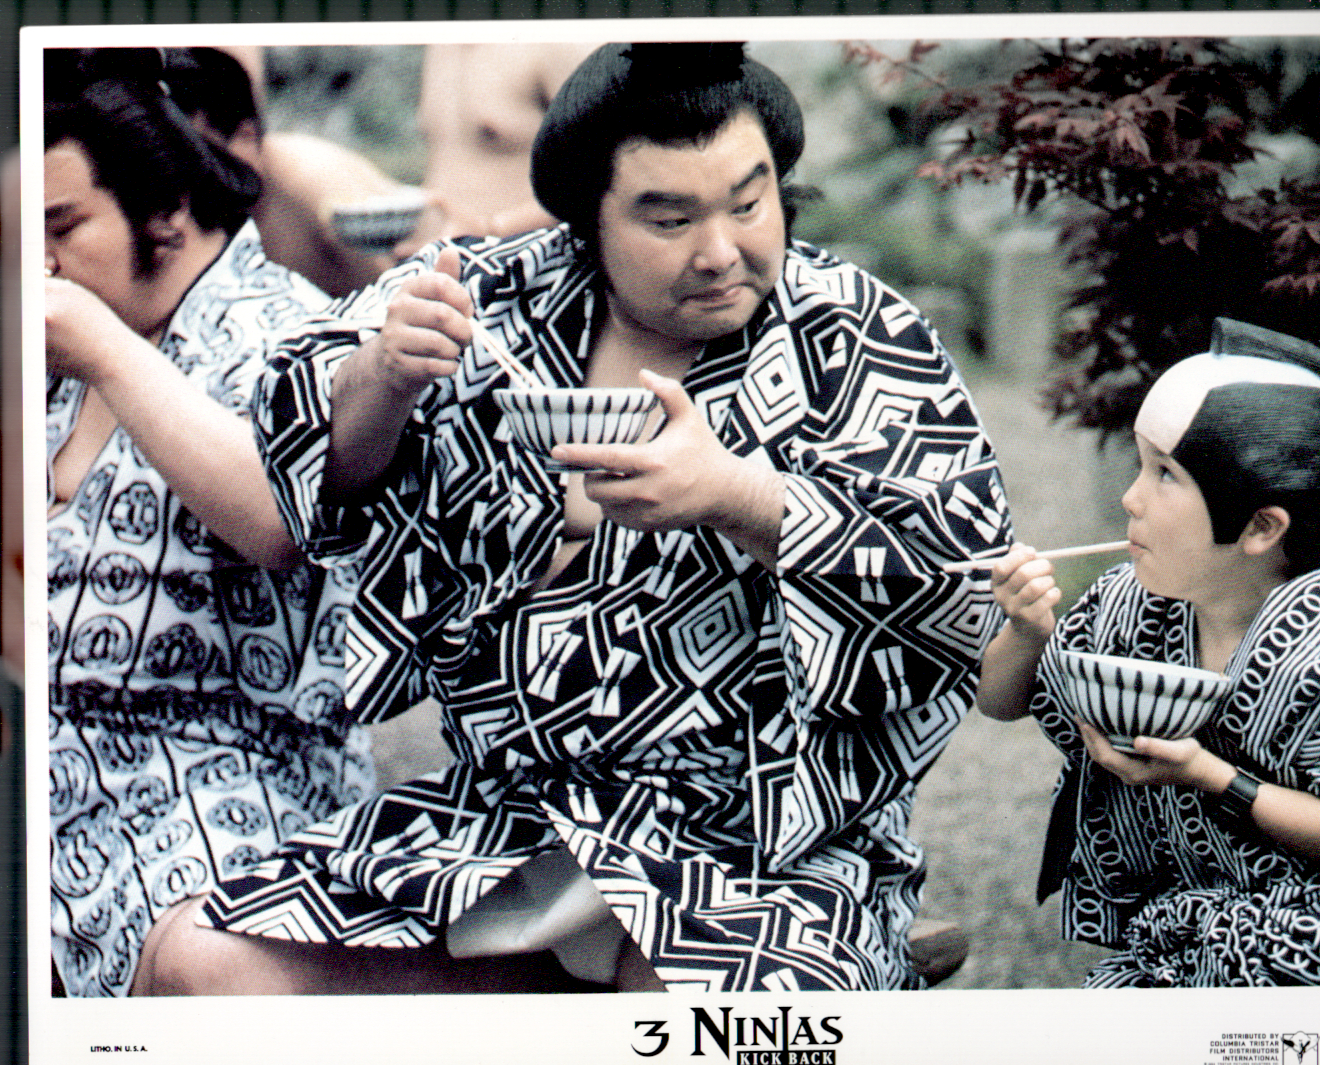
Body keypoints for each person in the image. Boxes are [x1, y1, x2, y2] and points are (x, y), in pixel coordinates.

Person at [148, 41, 1013, 994]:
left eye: (748, 202)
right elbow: (310, 469)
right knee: (201, 965)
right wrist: (382, 379)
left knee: (685, 1023)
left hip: (760, 842)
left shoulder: (858, 333)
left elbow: (964, 591)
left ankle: (861, 951)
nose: (719, 251)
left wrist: (739, 497)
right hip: (509, 820)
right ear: (583, 220)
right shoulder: (492, 295)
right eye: (669, 218)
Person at [44, 48, 374, 997]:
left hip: (222, 773)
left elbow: (279, 519)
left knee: (203, 957)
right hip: (58, 774)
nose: (41, 263)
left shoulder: (283, 329)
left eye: (63, 228)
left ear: (167, 208)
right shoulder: (47, 350)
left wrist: (106, 351)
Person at [976, 317, 1320, 987]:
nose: (1131, 497)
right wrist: (1028, 631)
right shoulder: (1134, 602)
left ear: (1261, 526)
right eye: (1142, 465)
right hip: (1188, 923)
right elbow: (1001, 701)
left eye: (1165, 474)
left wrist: (1208, 775)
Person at [162, 46, 407, 298]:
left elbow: (398, 292)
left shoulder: (315, 183)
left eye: (199, 155)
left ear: (246, 137)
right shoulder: (193, 210)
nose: (189, 174)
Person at [391, 42, 598, 258]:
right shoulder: (441, 46)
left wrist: (491, 230)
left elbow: (605, 174)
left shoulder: (558, 42)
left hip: (526, 263)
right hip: (437, 258)